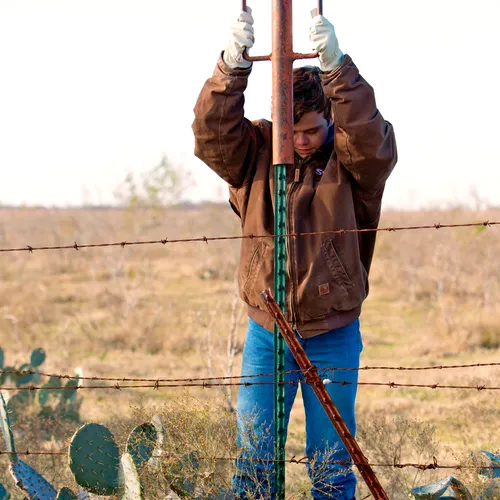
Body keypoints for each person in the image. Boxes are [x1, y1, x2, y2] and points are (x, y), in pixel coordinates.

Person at [192, 7, 397, 500]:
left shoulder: (353, 166)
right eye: (292, 130)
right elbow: (212, 136)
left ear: (329, 117)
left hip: (332, 330)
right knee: (255, 466)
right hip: (267, 330)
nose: (300, 140)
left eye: (310, 129)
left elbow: (372, 143)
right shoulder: (257, 149)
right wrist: (231, 67)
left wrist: (337, 69)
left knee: (330, 471)